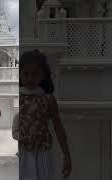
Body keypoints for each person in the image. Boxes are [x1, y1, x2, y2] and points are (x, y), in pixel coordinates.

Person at [12, 50, 72, 180]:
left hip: (42, 153)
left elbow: (59, 128)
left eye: (35, 74)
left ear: (43, 75)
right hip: (22, 153)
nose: (30, 78)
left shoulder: (48, 100)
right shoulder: (18, 97)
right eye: (26, 73)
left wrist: (66, 155)